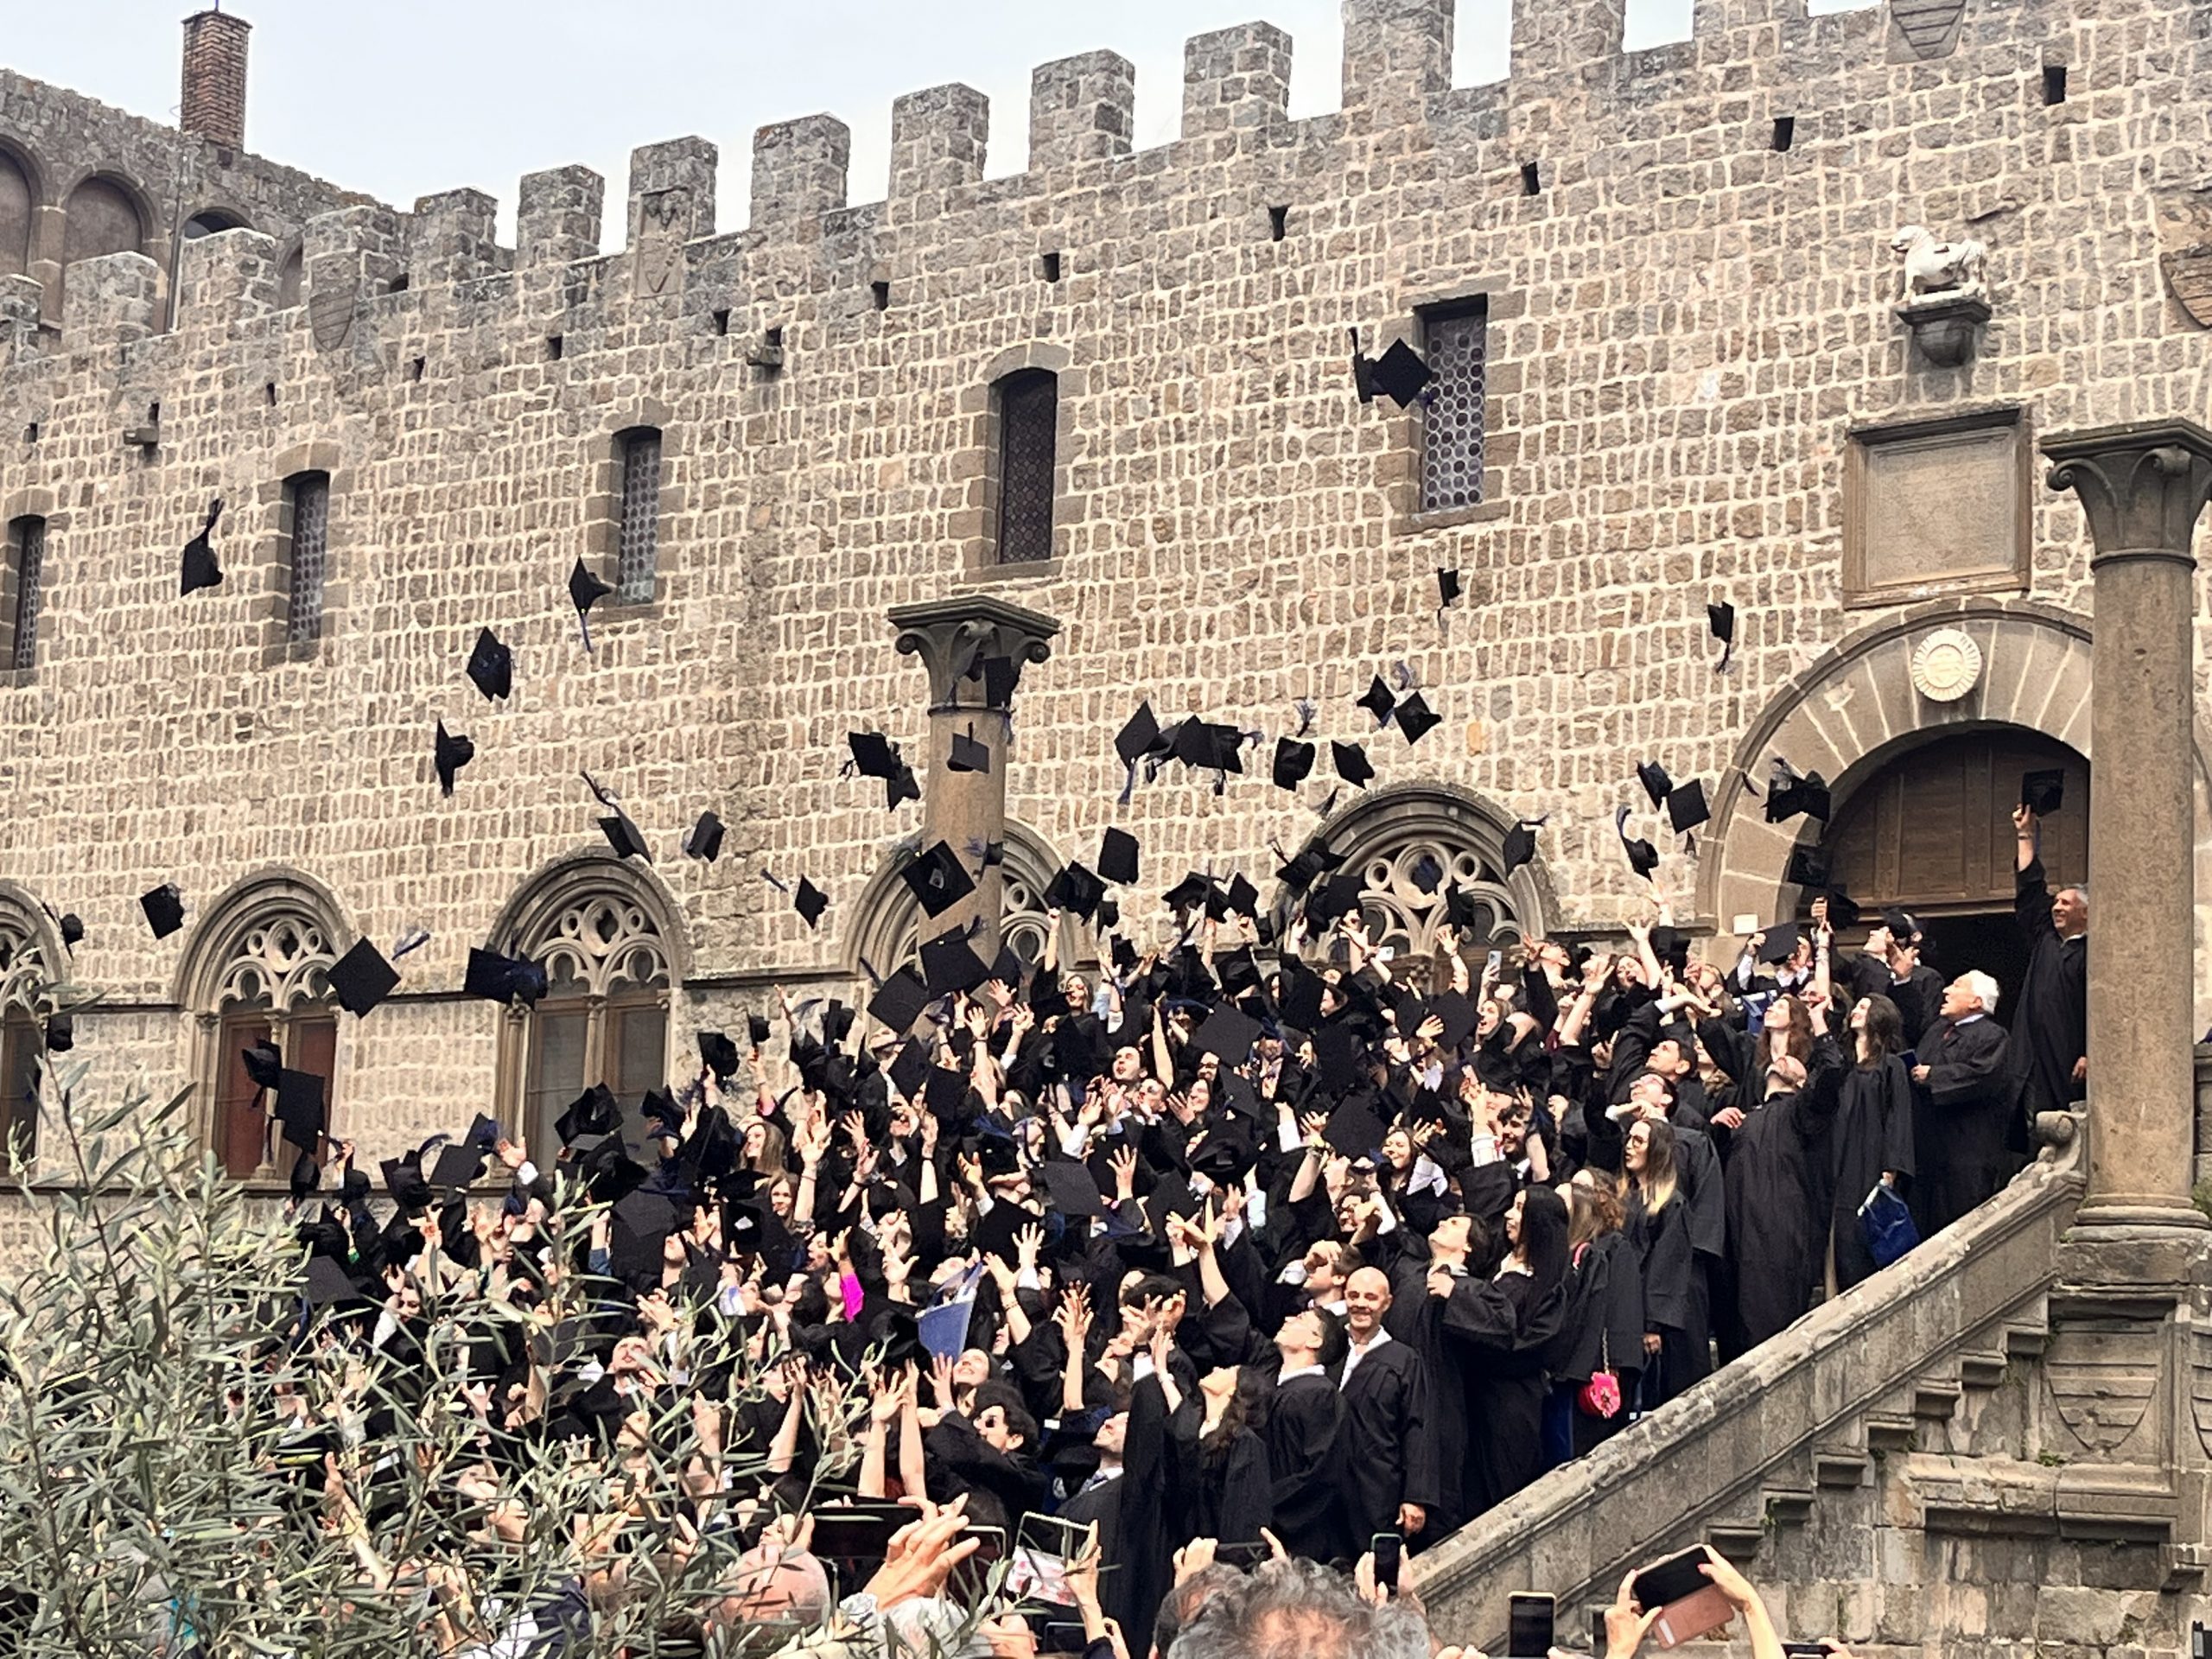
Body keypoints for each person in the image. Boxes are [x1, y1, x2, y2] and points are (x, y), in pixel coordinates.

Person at [1332, 1267, 1437, 1556]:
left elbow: (1418, 1427)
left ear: (1387, 1303)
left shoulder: (1404, 1359)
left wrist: (1415, 1496)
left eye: (1370, 1297)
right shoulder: (1329, 1347)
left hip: (1377, 1488)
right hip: (1325, 1489)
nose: (1360, 1304)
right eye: (1353, 1295)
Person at [1910, 971, 2013, 1234]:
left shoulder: (1992, 1036)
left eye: (1956, 986)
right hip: (1931, 1147)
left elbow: (1982, 1076)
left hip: (1968, 1150)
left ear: (1976, 1001)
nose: (1946, 991)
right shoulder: (1937, 1031)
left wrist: (1934, 1076)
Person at [1827, 993, 1916, 1292]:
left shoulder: (1891, 1066)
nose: (1857, 1011)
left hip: (1869, 1155)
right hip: (1836, 1153)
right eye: (1858, 1005)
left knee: (1859, 1233)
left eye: (1865, 1007)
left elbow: (1897, 1117)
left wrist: (1892, 1168)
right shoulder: (1840, 1062)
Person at [2010, 802, 2088, 1124]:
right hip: (2032, 1058)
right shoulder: (2046, 939)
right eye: (2056, 902)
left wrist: (2090, 1051)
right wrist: (2025, 834)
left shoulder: (2096, 954)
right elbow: (2030, 890)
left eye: (2066, 903)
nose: (2057, 907)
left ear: (2086, 912)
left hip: (2070, 1057)